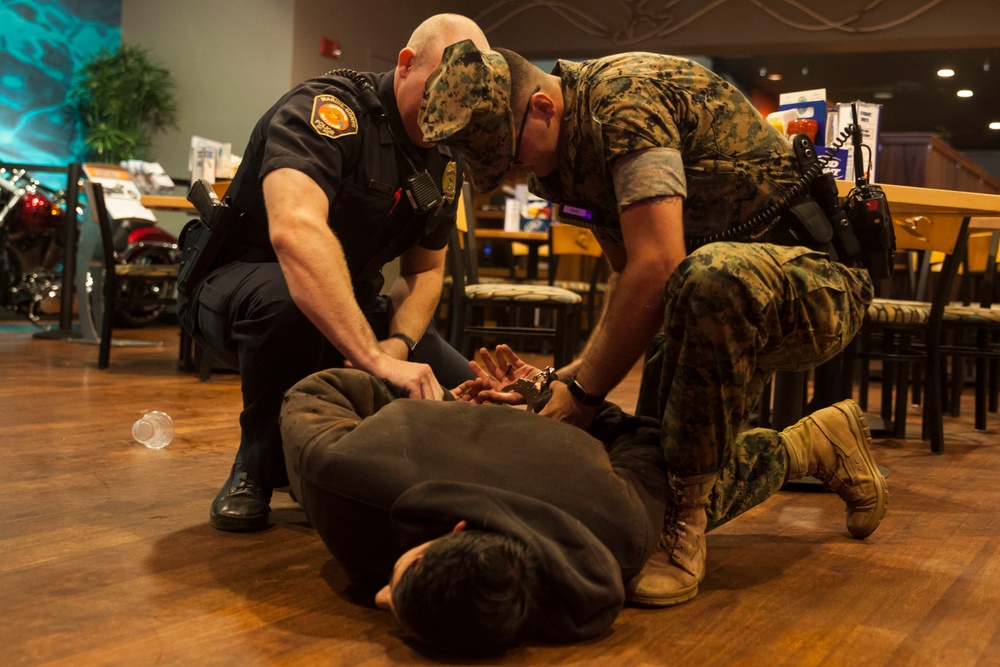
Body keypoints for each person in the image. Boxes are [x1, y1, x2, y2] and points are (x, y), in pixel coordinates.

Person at [417, 42, 887, 605]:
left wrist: (586, 393)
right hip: (709, 303)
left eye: (510, 157)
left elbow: (659, 263)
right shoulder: (559, 155)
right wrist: (557, 382)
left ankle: (684, 529)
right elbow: (635, 286)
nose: (515, 173)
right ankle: (812, 446)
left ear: (542, 107)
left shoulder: (623, 102)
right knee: (648, 476)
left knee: (708, 278)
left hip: (814, 286)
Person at [280, 361, 883, 656]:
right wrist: (554, 403)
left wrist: (419, 400)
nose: (379, 597)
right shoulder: (615, 527)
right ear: (458, 531)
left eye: (392, 583)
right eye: (399, 592)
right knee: (674, 500)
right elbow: (649, 445)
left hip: (500, 431)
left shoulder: (614, 538)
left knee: (667, 507)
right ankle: (806, 443)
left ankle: (807, 443)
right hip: (522, 429)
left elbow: (313, 389)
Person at [176, 15, 490, 533]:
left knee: (468, 400)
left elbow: (427, 270)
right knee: (288, 298)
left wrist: (397, 346)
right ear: (407, 64)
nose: (450, 118)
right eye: (443, 93)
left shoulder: (445, 159)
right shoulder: (325, 111)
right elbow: (294, 234)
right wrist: (371, 356)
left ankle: (390, 474)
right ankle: (257, 465)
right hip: (239, 286)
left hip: (345, 302)